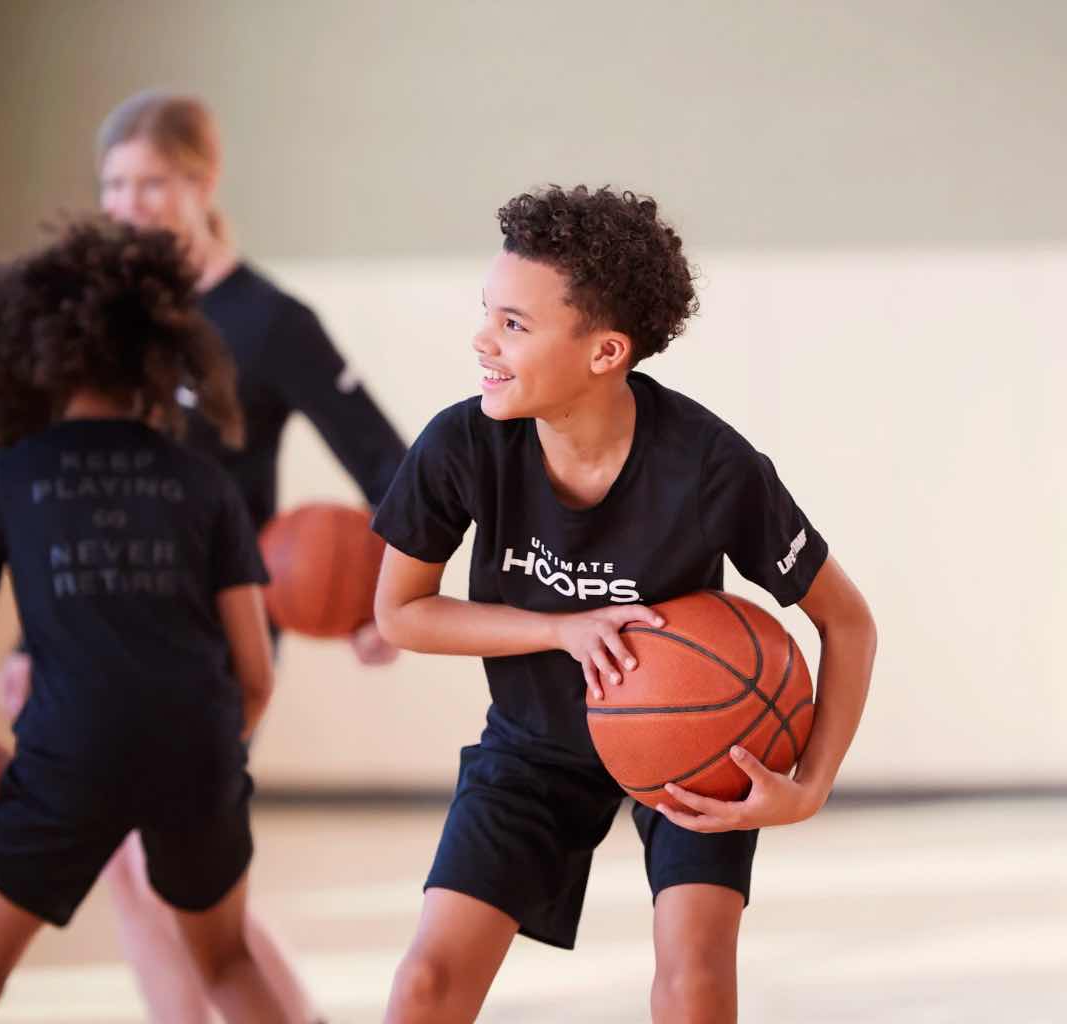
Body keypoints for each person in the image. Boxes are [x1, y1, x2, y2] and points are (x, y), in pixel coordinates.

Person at [370, 185, 879, 1022]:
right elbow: (401, 613)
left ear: (606, 353)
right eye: (487, 312)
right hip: (534, 743)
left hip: (694, 746)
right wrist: (559, 630)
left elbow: (847, 621)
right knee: (425, 983)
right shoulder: (462, 444)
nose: (482, 339)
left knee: (695, 985)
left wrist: (811, 786)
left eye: (514, 325)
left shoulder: (711, 467)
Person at [0, 90, 407, 1024]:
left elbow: (390, 462)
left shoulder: (269, 321)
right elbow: (73, 486)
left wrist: (386, 597)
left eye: (152, 181)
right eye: (115, 184)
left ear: (202, 182)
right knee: (135, 862)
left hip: (223, 622)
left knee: (168, 859)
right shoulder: (104, 321)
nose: (131, 202)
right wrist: (29, 640)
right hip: (103, 616)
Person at [0, 218, 288, 1023]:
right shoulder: (204, 481)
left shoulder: (4, 478)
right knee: (225, 963)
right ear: (161, 352)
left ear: (30, 355)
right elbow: (254, 677)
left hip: (68, 755)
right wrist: (209, 757)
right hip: (197, 741)